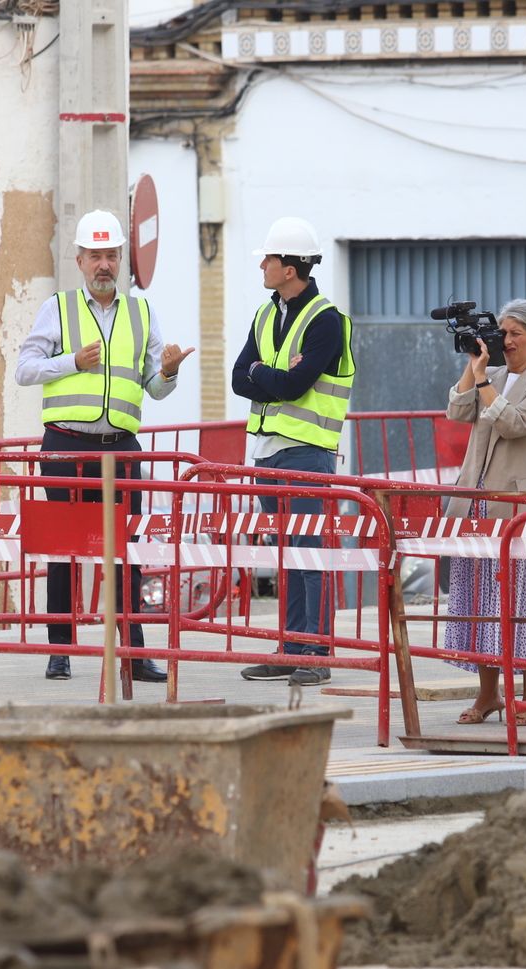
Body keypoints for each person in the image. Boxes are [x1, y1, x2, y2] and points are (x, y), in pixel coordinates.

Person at [14, 209, 196, 682]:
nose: (104, 265)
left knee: (126, 552)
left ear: (121, 261)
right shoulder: (58, 308)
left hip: (121, 449)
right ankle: (60, 650)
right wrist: (71, 362)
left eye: (111, 256)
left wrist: (169, 372)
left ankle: (133, 654)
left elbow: (154, 387)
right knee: (63, 552)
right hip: (66, 448)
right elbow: (25, 369)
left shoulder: (141, 313)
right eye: (95, 256)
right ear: (79, 261)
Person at [231, 217, 355, 687]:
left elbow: (294, 385)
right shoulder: (266, 315)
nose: (261, 265)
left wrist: (263, 373)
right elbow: (239, 377)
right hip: (267, 452)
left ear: (289, 268)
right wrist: (270, 374)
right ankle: (290, 647)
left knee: (310, 553)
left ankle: (317, 651)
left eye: (268, 258)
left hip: (307, 452)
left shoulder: (326, 320)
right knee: (286, 554)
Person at [441, 300, 526, 726]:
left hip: (516, 504)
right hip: (476, 499)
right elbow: (457, 411)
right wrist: (473, 365)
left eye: (515, 334)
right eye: (502, 333)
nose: (506, 341)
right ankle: (488, 694)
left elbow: (513, 423)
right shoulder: (490, 375)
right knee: (480, 601)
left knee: (522, 600)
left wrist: (484, 382)